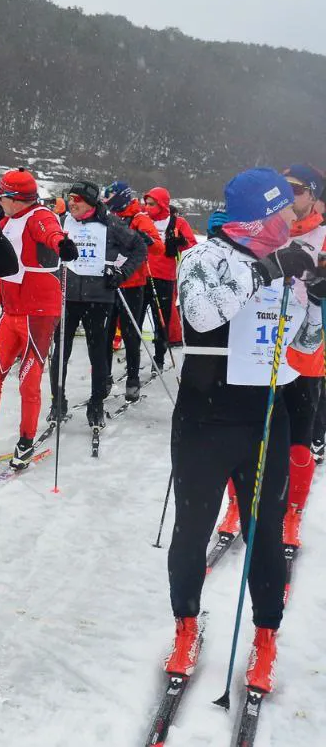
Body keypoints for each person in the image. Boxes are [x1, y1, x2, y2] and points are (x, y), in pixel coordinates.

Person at [166, 168, 324, 693]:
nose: (290, 220)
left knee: (265, 533)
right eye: (281, 212)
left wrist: (319, 298)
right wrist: (271, 266)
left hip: (263, 416)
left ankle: (266, 636)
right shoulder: (203, 257)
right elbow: (203, 315)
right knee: (192, 532)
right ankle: (186, 625)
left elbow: (304, 344)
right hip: (204, 418)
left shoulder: (295, 263)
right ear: (257, 216)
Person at [0, 170, 76, 467]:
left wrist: (62, 244)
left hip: (38, 313)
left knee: (28, 382)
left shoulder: (39, 216)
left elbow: (51, 232)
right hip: (11, 311)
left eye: (2, 195)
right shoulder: (8, 220)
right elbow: (0, 266)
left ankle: (26, 440)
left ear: (15, 199)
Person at [48, 180, 146, 429]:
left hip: (99, 298)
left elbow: (139, 249)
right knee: (61, 351)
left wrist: (122, 274)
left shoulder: (111, 224)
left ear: (91, 203)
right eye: (70, 198)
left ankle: (96, 404)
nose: (72, 203)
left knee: (98, 353)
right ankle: (57, 401)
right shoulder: (62, 222)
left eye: (77, 199)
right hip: (67, 297)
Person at [278, 165, 326, 551]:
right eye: (281, 188)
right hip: (263, 348)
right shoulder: (266, 229)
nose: (287, 195)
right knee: (251, 430)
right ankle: (238, 504)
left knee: (299, 435)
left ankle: (293, 509)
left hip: (305, 352)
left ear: (312, 194)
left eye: (294, 189)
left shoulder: (323, 235)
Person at [101, 180, 164, 401]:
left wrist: (146, 240)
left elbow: (158, 248)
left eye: (110, 200)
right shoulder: (108, 217)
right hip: (109, 282)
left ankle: (133, 380)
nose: (108, 205)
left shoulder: (140, 218)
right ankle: (104, 377)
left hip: (133, 284)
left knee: (130, 333)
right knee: (106, 332)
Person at [142, 186, 197, 371]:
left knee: (161, 321)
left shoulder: (177, 223)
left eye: (151, 204)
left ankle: (159, 357)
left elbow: (193, 247)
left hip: (164, 278)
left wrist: (181, 242)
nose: (147, 207)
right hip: (141, 277)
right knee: (134, 319)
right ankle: (133, 360)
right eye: (146, 203)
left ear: (162, 204)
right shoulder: (142, 219)